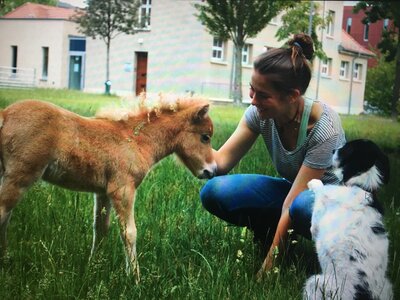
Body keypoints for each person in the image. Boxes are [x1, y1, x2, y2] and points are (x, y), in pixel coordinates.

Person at [200, 33, 346, 276]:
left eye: (263, 95)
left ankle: (342, 254)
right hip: (295, 194)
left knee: (301, 207)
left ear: (292, 96)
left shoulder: (324, 128)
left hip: (337, 205)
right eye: (252, 90)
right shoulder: (259, 113)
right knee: (215, 191)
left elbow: (292, 203)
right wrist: (184, 135)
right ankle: (273, 234)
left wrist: (267, 269)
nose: (253, 100)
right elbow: (219, 163)